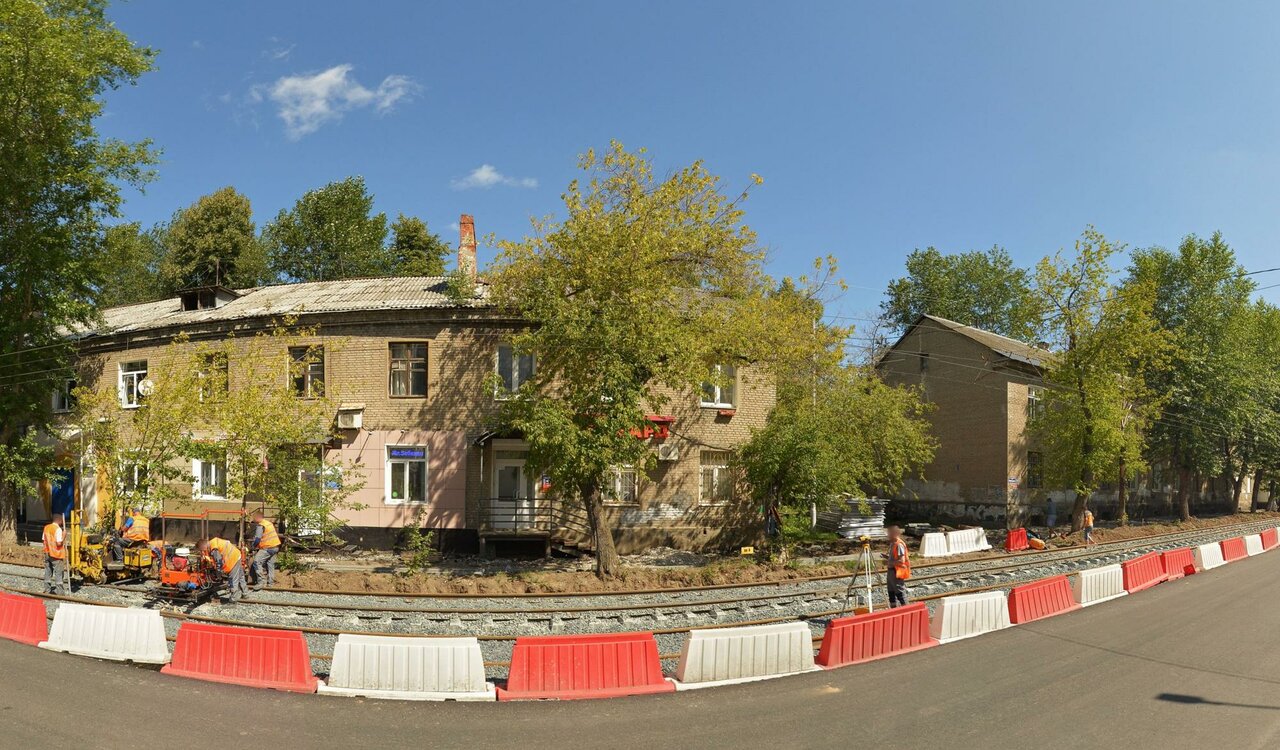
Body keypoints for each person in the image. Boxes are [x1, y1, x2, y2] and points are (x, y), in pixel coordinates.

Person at [198, 537, 248, 603]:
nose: (203, 551)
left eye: (203, 550)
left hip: (232, 560)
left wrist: (218, 571)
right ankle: (245, 594)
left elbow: (219, 561)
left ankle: (233, 599)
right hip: (236, 555)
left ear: (203, 546)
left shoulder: (213, 548)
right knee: (241, 577)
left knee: (233, 580)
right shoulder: (213, 542)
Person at [249, 510, 281, 590]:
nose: (253, 520)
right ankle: (270, 583)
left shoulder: (261, 526)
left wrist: (252, 547)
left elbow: (257, 539)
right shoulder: (268, 523)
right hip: (275, 546)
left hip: (268, 547)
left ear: (257, 518)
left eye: (254, 518)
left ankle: (261, 582)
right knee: (270, 564)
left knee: (256, 562)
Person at [881, 525, 911, 608]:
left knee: (900, 593)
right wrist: (887, 557)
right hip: (891, 571)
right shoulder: (893, 544)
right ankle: (893, 610)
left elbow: (901, 561)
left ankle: (906, 610)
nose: (888, 535)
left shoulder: (899, 544)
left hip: (897, 572)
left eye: (889, 533)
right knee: (891, 593)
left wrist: (888, 562)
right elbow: (895, 558)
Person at [42, 514, 67, 595]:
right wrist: (64, 536)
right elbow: (59, 543)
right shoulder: (58, 529)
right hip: (56, 554)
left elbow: (44, 540)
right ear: (59, 520)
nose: (62, 522)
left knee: (48, 571)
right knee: (58, 572)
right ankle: (60, 592)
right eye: (62, 520)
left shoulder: (46, 527)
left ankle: (47, 590)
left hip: (47, 552)